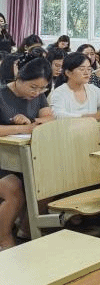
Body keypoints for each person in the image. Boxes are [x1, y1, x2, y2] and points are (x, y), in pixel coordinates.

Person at [0, 57, 54, 250]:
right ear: (19, 77)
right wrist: (21, 128)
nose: (37, 92)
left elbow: (49, 118)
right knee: (13, 190)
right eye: (33, 87)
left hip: (25, 157)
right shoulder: (2, 95)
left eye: (42, 88)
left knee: (47, 182)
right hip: (2, 160)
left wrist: (31, 121)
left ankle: (27, 228)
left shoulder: (38, 96)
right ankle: (3, 237)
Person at [50, 52, 100, 120]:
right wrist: (90, 117)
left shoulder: (93, 90)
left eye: (89, 69)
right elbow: (57, 115)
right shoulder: (59, 92)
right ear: (68, 73)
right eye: (82, 69)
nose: (87, 73)